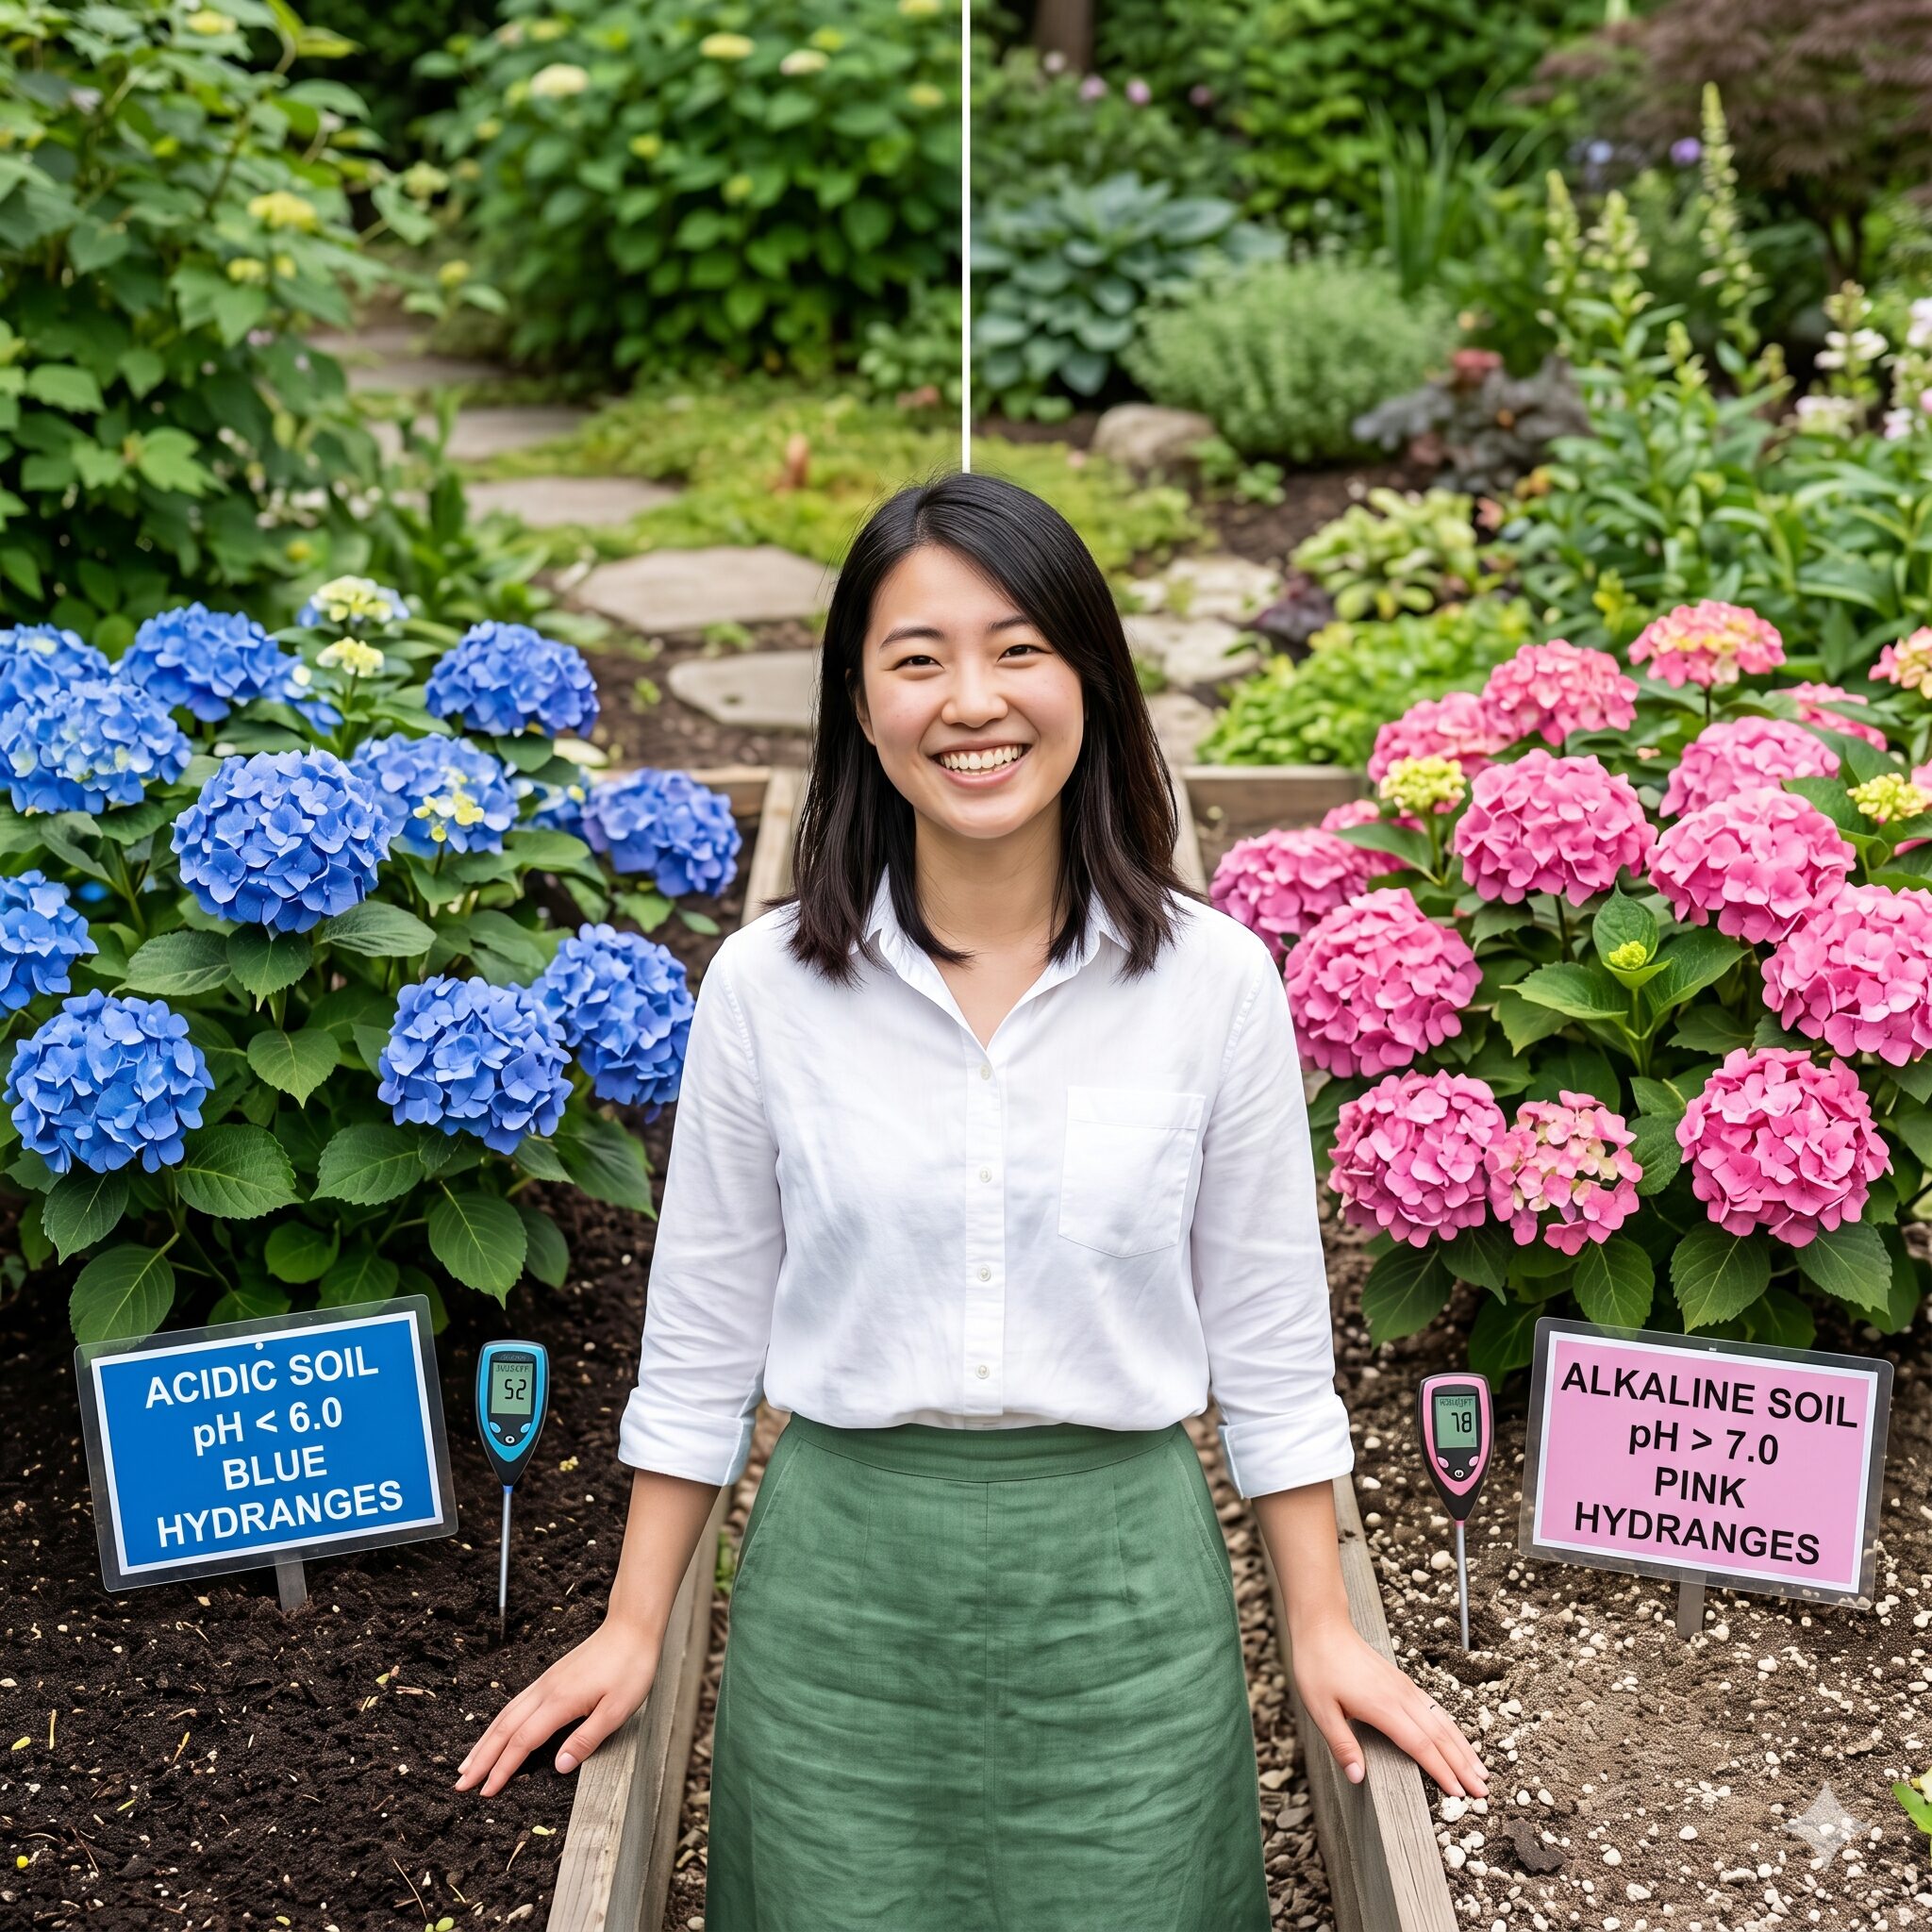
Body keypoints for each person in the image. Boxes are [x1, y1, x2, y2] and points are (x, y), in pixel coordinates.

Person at [453, 472, 1488, 1927]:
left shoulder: (1214, 986)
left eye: (1019, 650)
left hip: (1125, 1601)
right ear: (861, 709)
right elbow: (697, 1346)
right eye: (918, 658)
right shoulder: (763, 990)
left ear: (1092, 683)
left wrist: (1326, 1629)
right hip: (840, 1608)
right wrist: (634, 1627)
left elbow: (1270, 1347)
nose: (973, 701)